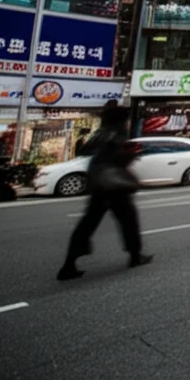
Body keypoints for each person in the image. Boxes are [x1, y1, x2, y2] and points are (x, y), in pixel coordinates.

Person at [57, 103, 150, 280]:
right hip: (112, 185)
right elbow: (112, 156)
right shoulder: (115, 133)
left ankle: (69, 264)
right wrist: (127, 155)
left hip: (99, 183)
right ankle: (135, 256)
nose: (128, 122)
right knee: (128, 220)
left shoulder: (102, 132)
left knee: (88, 224)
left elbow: (87, 149)